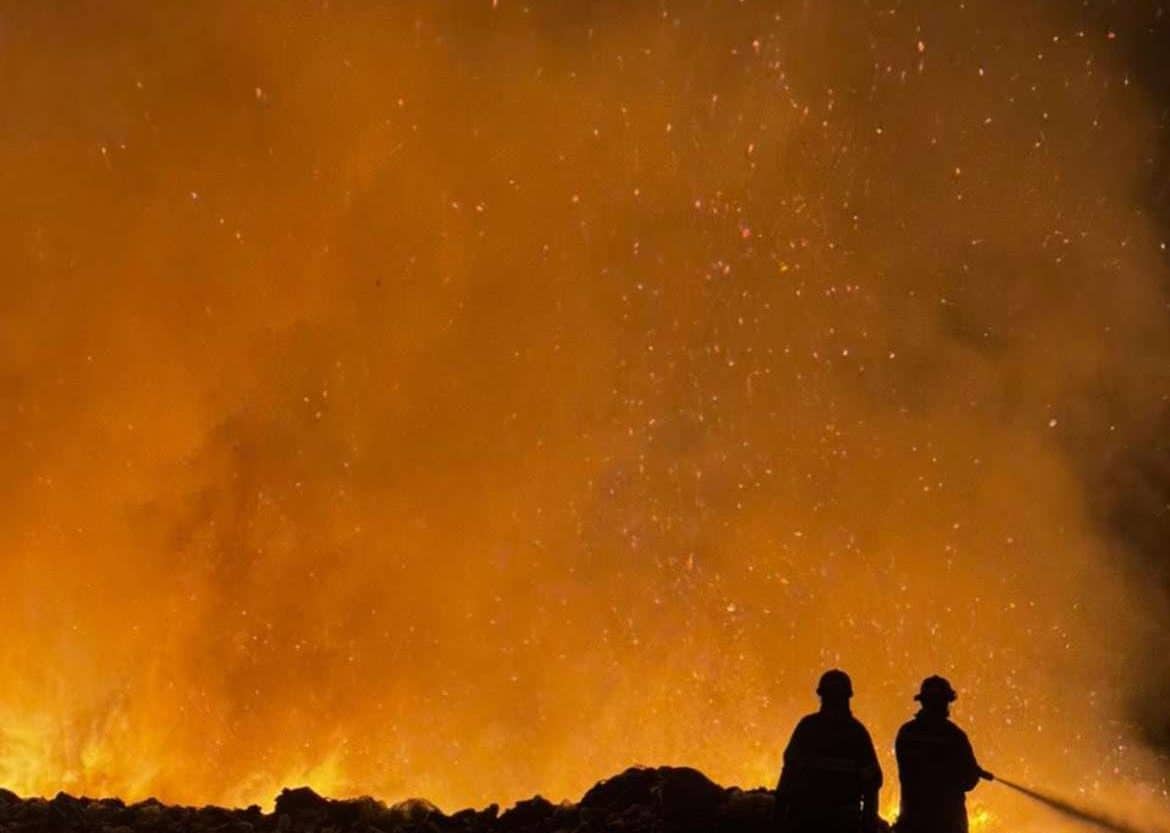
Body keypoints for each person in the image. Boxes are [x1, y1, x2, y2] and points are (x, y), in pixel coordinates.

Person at [775, 669, 884, 833]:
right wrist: (868, 826)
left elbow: (787, 778)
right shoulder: (857, 733)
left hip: (805, 821)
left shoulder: (807, 727)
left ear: (821, 696)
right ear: (848, 698)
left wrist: (778, 819)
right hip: (842, 823)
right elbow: (871, 786)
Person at [894, 676, 994, 833]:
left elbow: (909, 774)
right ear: (947, 702)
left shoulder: (907, 733)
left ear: (922, 702)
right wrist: (973, 771)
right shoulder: (955, 736)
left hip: (913, 823)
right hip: (949, 824)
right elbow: (968, 781)